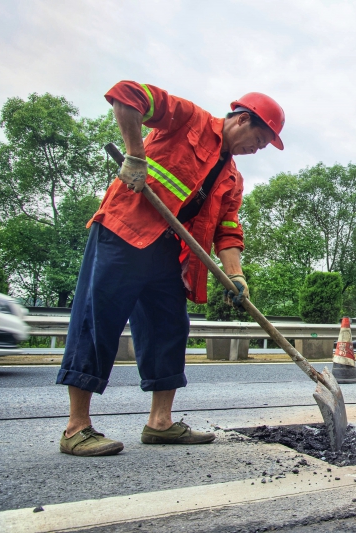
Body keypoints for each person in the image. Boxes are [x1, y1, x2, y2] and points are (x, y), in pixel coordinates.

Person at [56, 81, 286, 456]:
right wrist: (135, 156)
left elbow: (228, 230)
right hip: (124, 231)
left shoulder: (232, 179)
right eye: (259, 141)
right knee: (98, 321)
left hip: (169, 253)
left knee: (170, 329)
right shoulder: (189, 119)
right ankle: (76, 428)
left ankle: (160, 423)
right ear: (243, 120)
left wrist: (236, 275)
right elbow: (127, 95)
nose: (255, 150)